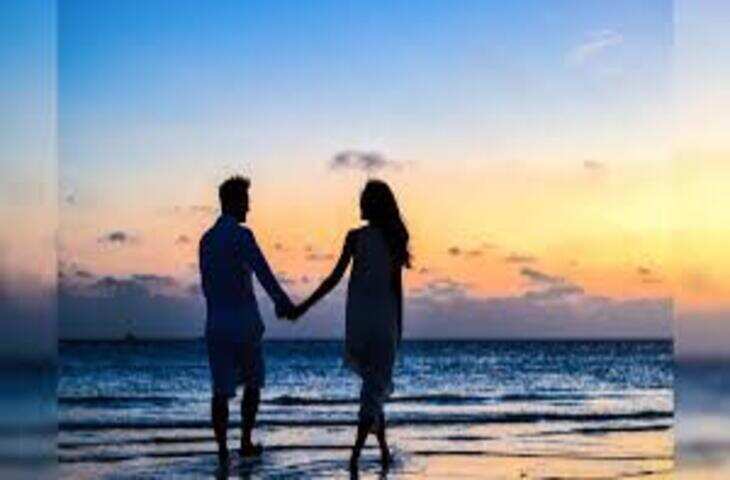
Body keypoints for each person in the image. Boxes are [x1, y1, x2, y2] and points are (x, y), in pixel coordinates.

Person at [289, 179, 410, 470]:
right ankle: (355, 456)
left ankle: (383, 452)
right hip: (384, 323)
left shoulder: (355, 238)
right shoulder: (394, 238)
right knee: (374, 390)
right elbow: (396, 289)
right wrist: (400, 327)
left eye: (363, 200)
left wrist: (303, 306)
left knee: (373, 388)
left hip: (359, 324)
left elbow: (333, 279)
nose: (359, 205)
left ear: (373, 205)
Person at [199, 175, 294, 465]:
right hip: (243, 323)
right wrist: (282, 302)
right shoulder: (242, 236)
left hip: (216, 324)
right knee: (253, 383)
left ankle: (222, 450)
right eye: (245, 201)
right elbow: (263, 272)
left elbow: (206, 285)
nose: (249, 208)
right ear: (234, 202)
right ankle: (245, 441)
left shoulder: (206, 240)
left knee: (220, 390)